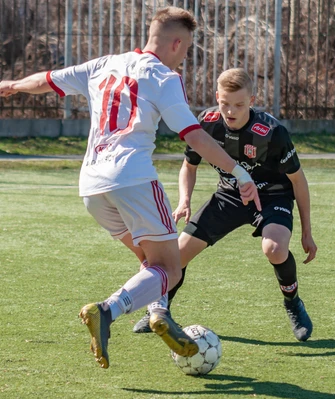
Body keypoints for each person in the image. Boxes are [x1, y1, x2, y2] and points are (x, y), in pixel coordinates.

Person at [0, 8, 261, 368]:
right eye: (185, 49)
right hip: (132, 179)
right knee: (170, 269)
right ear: (175, 42)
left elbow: (46, 80)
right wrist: (239, 172)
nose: (183, 57)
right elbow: (195, 136)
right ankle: (106, 310)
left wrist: (12, 86)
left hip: (91, 186)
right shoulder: (164, 77)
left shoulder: (102, 64)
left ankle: (159, 314)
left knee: (148, 262)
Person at [133, 68, 317, 341]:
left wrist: (306, 232)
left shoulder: (272, 132)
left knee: (275, 249)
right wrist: (185, 199)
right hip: (228, 196)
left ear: (252, 100)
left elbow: (298, 182)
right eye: (225, 103)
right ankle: (160, 312)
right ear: (217, 97)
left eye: (240, 105)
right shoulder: (206, 123)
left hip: (272, 197)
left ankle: (293, 302)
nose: (231, 111)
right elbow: (189, 166)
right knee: (176, 255)